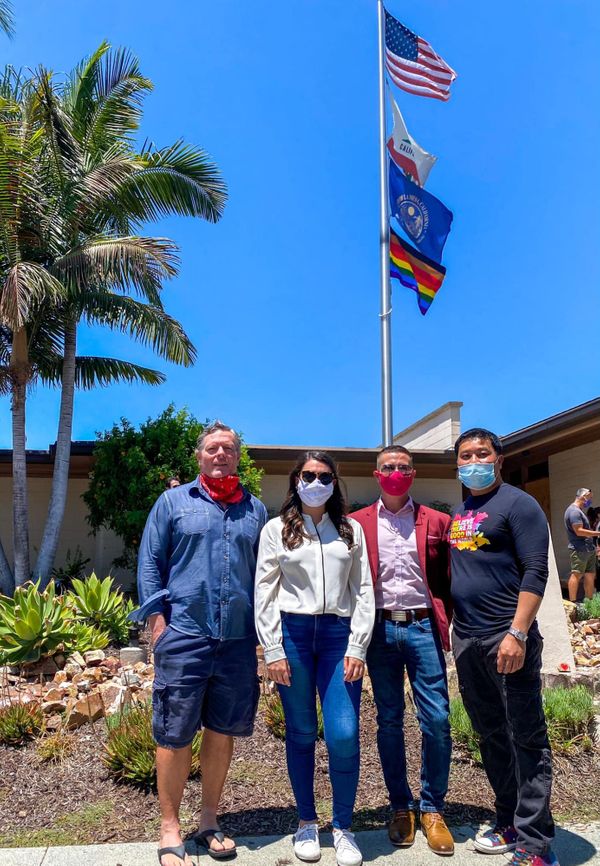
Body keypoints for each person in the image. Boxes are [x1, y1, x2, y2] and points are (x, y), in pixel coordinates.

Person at [133, 422, 268, 866]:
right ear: (199, 456)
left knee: (222, 731)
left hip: (237, 641)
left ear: (237, 456)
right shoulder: (173, 502)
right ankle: (169, 827)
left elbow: (266, 577)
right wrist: (158, 627)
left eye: (228, 448)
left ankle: (208, 820)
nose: (220, 454)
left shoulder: (256, 511)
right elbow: (150, 564)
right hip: (184, 636)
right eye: (212, 448)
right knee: (173, 733)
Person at [254, 452, 375, 866]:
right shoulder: (277, 530)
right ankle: (306, 822)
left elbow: (362, 590)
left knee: (343, 733)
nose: (316, 481)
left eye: (325, 476)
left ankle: (343, 827)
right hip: (295, 635)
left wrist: (358, 645)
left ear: (334, 483)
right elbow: (265, 591)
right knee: (302, 731)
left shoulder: (350, 528)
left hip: (339, 636)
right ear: (296, 480)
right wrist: (273, 649)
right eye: (309, 475)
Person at [449, 428, 558, 866]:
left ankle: (537, 845)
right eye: (465, 455)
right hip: (468, 639)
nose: (473, 460)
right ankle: (509, 821)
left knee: (526, 736)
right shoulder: (462, 510)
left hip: (506, 638)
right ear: (457, 464)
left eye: (482, 453)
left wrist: (518, 632)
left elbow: (536, 572)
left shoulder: (519, 504)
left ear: (498, 459)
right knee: (491, 734)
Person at [351, 445, 454, 856]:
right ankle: (400, 806)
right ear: (377, 475)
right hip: (378, 630)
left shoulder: (437, 520)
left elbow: (448, 576)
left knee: (438, 720)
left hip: (423, 626)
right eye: (389, 467)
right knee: (389, 720)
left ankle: (432, 808)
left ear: (413, 473)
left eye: (403, 467)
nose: (396, 472)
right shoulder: (356, 523)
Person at [564, 489, 600, 602]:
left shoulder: (578, 511)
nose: (589, 501)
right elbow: (579, 531)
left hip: (588, 549)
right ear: (583, 496)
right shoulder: (574, 511)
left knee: (590, 575)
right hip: (579, 549)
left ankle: (589, 603)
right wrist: (598, 533)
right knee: (576, 575)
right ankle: (574, 604)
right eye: (589, 498)